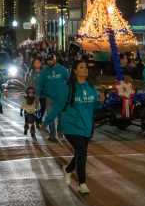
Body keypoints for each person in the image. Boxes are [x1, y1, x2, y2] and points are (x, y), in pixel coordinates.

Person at [43, 60, 105, 194]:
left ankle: (68, 169)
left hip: (86, 126)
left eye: (86, 67)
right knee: (82, 153)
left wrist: (100, 102)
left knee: (79, 153)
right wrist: (46, 121)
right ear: (75, 71)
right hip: (71, 126)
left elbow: (94, 107)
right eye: (82, 67)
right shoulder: (68, 87)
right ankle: (82, 184)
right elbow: (58, 106)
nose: (85, 69)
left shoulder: (90, 87)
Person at [37, 53, 69, 142]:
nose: (49, 62)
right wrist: (37, 96)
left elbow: (69, 81)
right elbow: (40, 84)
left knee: (61, 117)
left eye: (51, 60)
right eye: (48, 60)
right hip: (49, 98)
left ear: (55, 59)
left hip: (61, 98)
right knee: (50, 116)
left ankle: (60, 132)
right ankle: (52, 135)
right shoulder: (44, 71)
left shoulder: (63, 70)